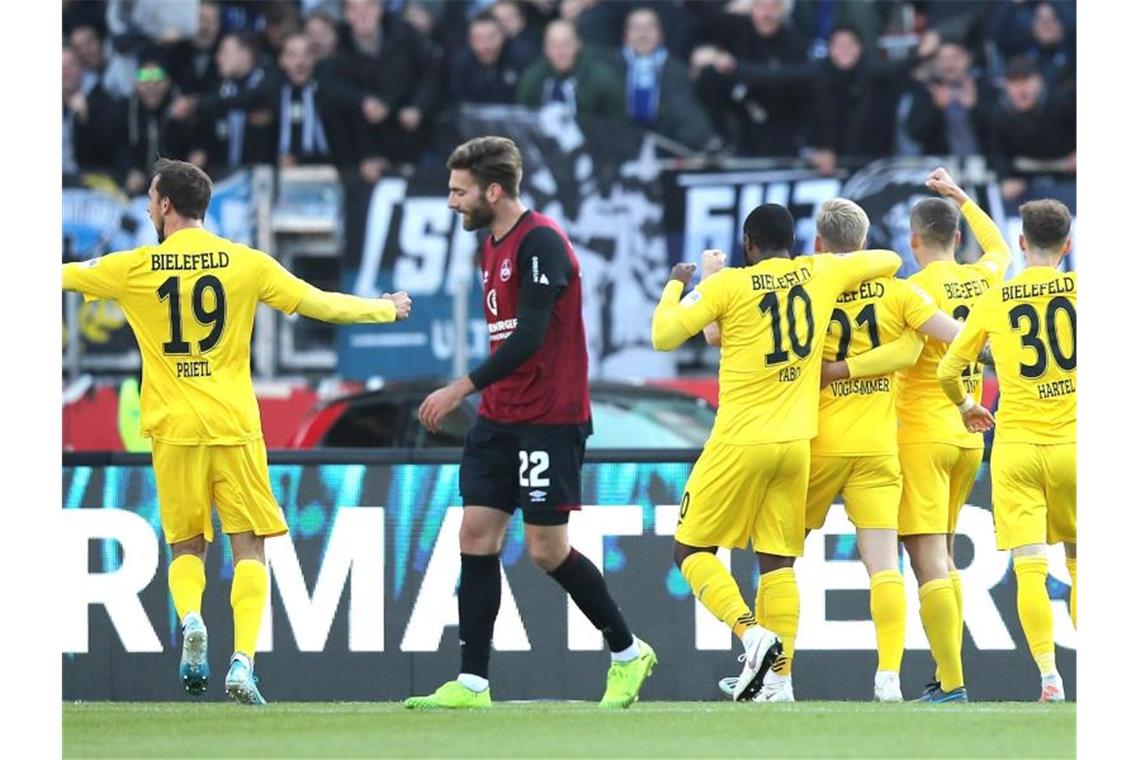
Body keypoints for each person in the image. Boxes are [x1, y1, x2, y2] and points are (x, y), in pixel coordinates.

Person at [61, 158, 412, 705]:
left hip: (174, 428)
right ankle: (243, 663)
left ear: (167, 206)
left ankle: (193, 619)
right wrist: (384, 310)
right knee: (249, 548)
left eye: (153, 199)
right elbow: (317, 302)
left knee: (186, 546)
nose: (150, 207)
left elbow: (60, 275)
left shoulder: (134, 267)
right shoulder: (245, 263)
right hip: (234, 425)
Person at [407, 136, 656, 710]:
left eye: (459, 191)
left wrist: (461, 387)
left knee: (546, 550)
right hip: (500, 418)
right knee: (475, 534)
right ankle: (472, 683)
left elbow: (530, 335)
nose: (451, 203)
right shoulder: (489, 246)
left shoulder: (540, 241)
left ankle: (627, 651)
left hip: (549, 417)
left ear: (493, 191)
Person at [710, 198, 963, 703]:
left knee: (779, 563)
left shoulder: (811, 291)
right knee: (884, 566)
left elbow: (719, 333)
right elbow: (959, 338)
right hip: (877, 446)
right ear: (865, 242)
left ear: (820, 245)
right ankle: (888, 677)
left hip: (816, 443)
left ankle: (776, 678)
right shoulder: (899, 292)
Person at [650, 203, 902, 702]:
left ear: (748, 244)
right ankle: (780, 682)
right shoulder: (819, 271)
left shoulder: (729, 285)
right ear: (797, 240)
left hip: (740, 440)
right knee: (778, 565)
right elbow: (890, 261)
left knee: (690, 550)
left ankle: (751, 634)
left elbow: (664, 336)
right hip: (795, 444)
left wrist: (684, 283)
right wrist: (840, 264)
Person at [831, 167, 1011, 703]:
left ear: (913, 241)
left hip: (922, 435)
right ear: (957, 237)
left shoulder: (910, 290)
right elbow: (1001, 246)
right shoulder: (987, 275)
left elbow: (897, 349)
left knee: (927, 557)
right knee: (946, 555)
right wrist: (964, 197)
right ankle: (947, 675)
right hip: (968, 436)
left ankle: (952, 683)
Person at [937, 198, 1075, 703]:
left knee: (1030, 566)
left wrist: (968, 405)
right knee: (1083, 564)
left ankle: (1049, 679)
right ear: (1068, 245)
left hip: (1016, 446)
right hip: (1078, 445)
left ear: (1021, 243)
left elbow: (948, 370)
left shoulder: (996, 298)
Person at [603, 7, 718, 151]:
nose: (643, 34)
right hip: (619, 142)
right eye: (636, 28)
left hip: (667, 143)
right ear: (625, 35)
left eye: (649, 27)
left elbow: (685, 112)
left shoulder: (677, 70)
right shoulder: (607, 66)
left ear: (660, 34)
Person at [515, 19, 625, 121]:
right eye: (554, 45)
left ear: (578, 44)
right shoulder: (532, 78)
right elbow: (523, 118)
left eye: (566, 44)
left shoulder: (602, 78)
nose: (560, 52)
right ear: (545, 48)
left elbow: (616, 121)